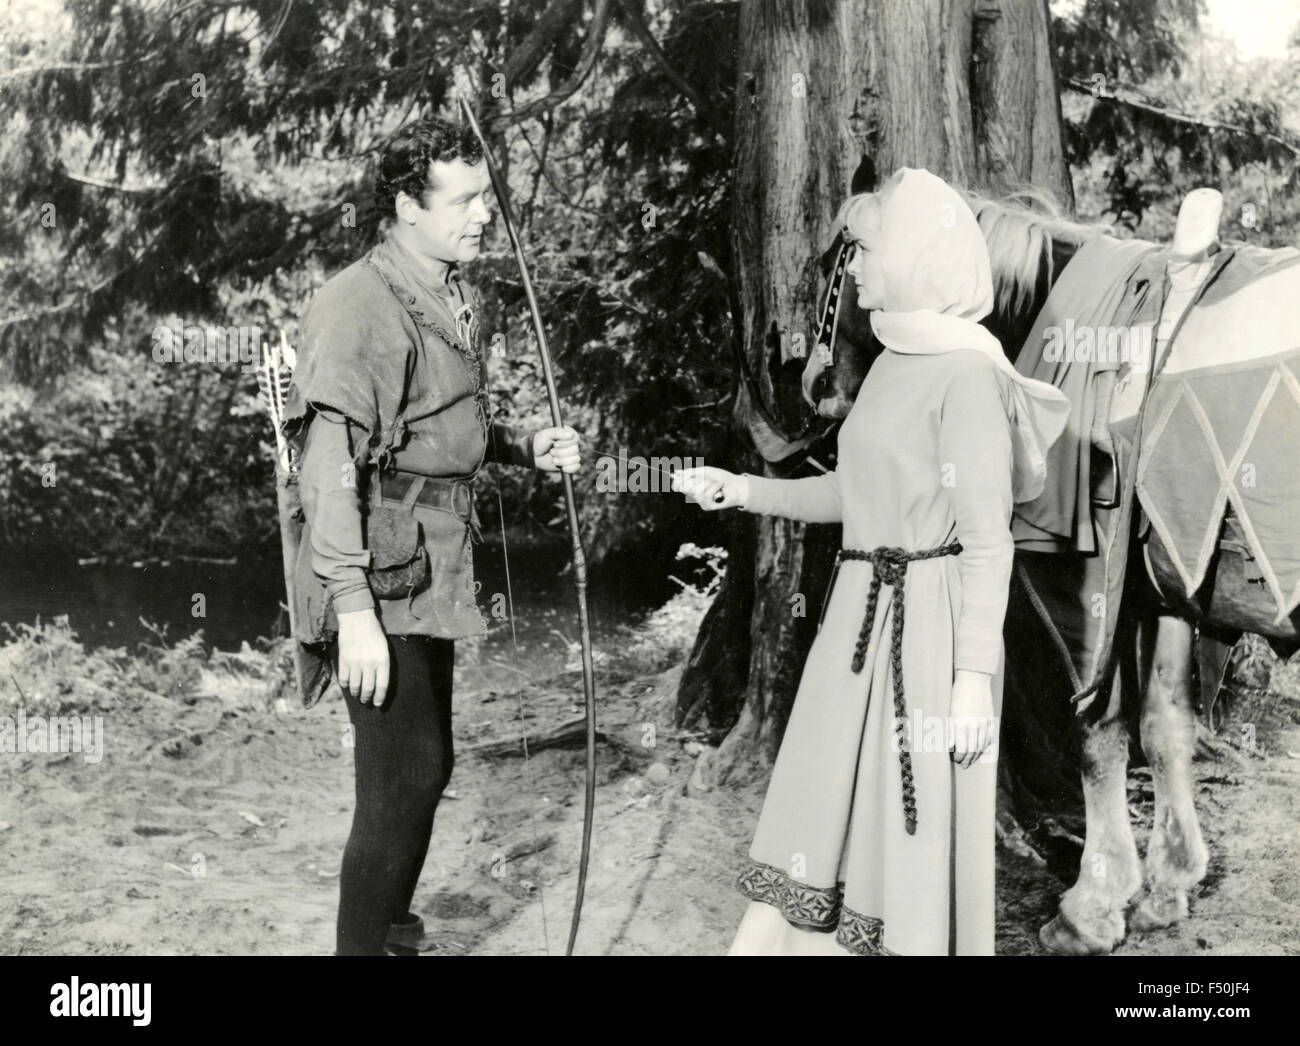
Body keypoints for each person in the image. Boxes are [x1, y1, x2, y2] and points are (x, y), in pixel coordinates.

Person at [674, 168, 1068, 955]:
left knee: (904, 823)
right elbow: (859, 498)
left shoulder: (968, 372)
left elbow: (989, 541)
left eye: (865, 247)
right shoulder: (895, 355)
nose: (850, 265)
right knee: (827, 811)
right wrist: (742, 490)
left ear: (918, 254)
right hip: (856, 619)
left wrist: (970, 683)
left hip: (924, 630)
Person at [281, 116, 583, 956]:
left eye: (487, 195)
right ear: (407, 205)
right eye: (464, 199)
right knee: (400, 779)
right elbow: (328, 467)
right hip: (378, 572)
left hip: (431, 563)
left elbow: (432, 427)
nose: (484, 213)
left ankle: (392, 940)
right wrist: (353, 612)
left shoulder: (442, 286)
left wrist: (524, 445)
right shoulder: (358, 303)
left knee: (426, 769)